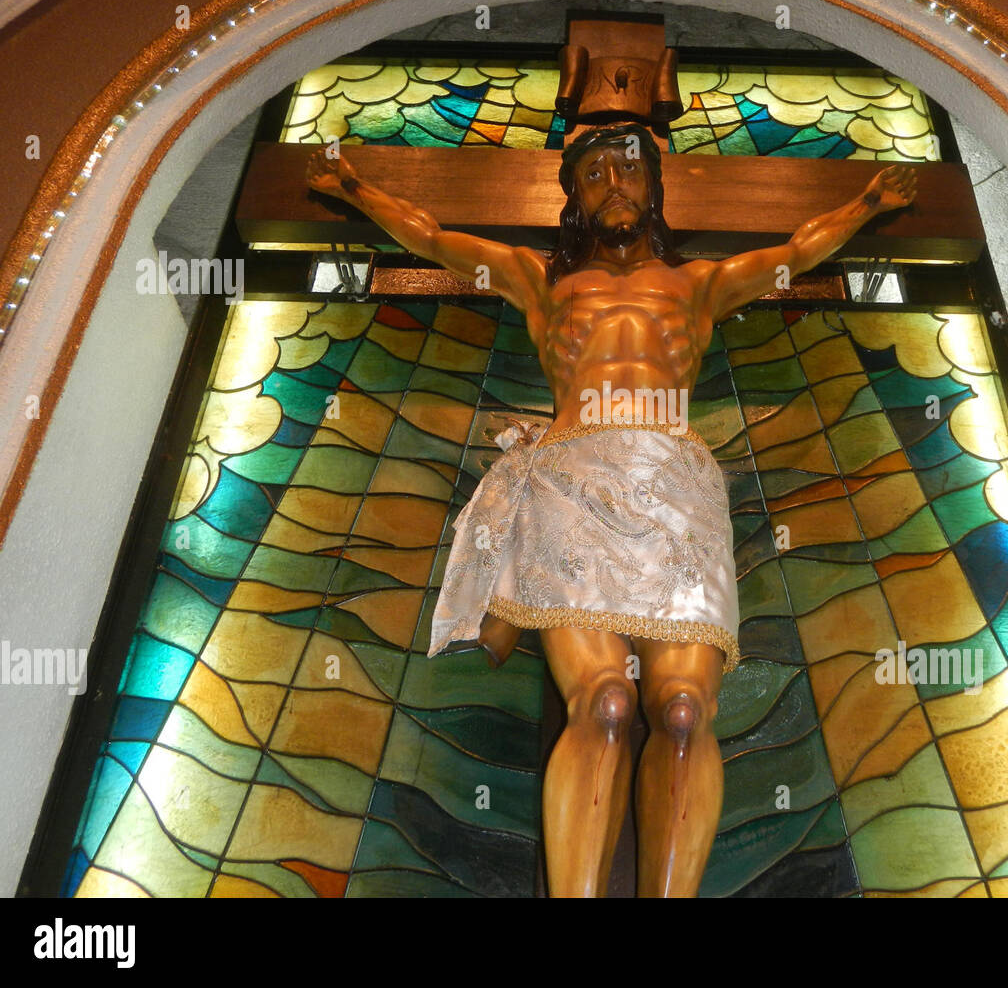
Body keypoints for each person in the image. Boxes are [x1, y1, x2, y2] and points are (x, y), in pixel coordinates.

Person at [306, 124, 916, 896]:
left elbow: (798, 249)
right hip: (572, 478)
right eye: (592, 175)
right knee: (602, 700)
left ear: (654, 186)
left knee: (687, 711)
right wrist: (354, 188)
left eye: (626, 170)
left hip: (675, 488)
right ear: (575, 198)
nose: (613, 185)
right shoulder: (539, 280)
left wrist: (867, 201)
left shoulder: (699, 284)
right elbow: (432, 236)